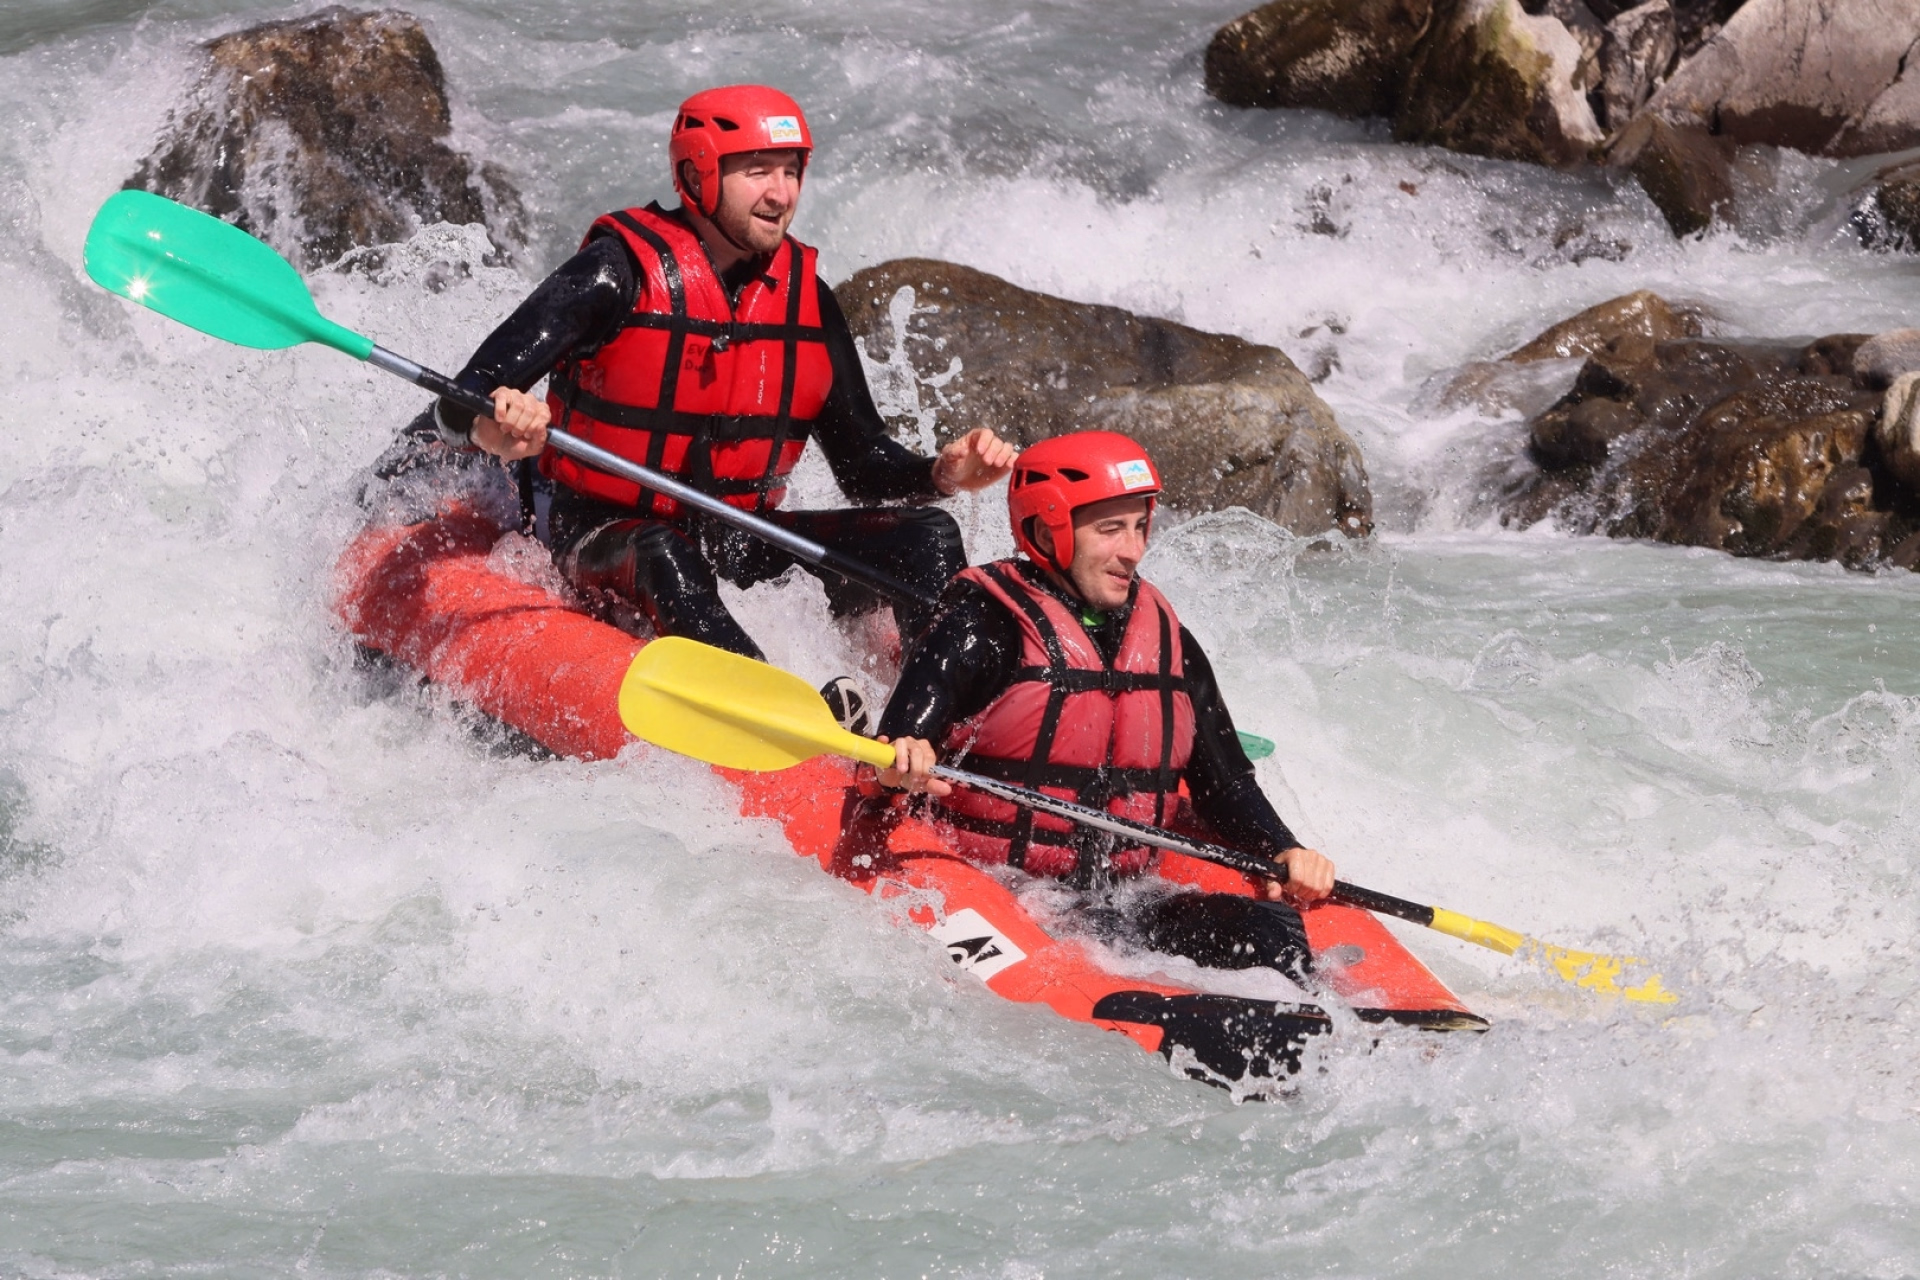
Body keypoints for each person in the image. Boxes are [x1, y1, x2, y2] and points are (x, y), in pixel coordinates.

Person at [430, 84, 1014, 669]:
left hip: (742, 542)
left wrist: (941, 473)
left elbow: (862, 469)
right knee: (665, 551)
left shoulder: (807, 300)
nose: (780, 194)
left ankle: (947, 724)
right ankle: (788, 721)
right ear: (697, 173)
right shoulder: (614, 274)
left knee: (928, 535)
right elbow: (459, 400)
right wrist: (495, 429)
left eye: (791, 172)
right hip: (606, 539)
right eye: (758, 171)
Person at [853, 430, 1336, 981]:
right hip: (1002, 886)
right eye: (1110, 530)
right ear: (1044, 528)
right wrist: (900, 759)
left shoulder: (1168, 640)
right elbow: (887, 754)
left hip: (1126, 900)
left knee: (1271, 938)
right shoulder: (980, 624)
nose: (1131, 550)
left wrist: (1284, 848)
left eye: (1139, 527)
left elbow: (1225, 786)